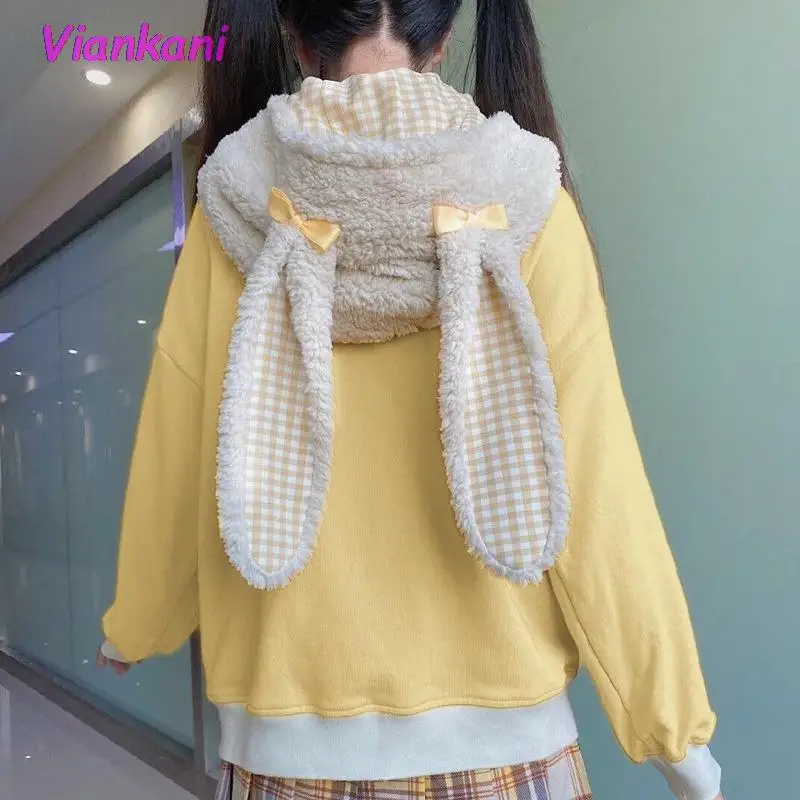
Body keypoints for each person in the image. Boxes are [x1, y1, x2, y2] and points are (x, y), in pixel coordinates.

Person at [97, 1, 725, 798]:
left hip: (286, 755)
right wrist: (676, 736)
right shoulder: (527, 202)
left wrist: (137, 622)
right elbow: (602, 496)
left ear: (295, 36)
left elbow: (178, 461)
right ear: (443, 35)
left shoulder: (233, 213)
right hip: (511, 752)